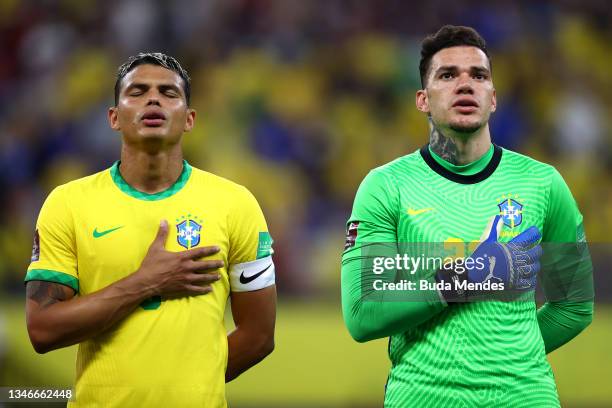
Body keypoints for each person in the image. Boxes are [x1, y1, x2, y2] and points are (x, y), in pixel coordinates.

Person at [341, 25, 594, 407]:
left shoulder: (544, 184)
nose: (465, 84)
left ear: (493, 98)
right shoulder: (386, 186)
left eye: (479, 75)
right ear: (423, 100)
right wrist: (470, 276)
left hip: (525, 398)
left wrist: (507, 357)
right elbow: (362, 314)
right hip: (423, 398)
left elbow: (573, 306)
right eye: (447, 75)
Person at [25, 53, 277, 407]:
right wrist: (147, 282)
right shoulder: (68, 203)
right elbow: (42, 329)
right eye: (138, 91)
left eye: (169, 93)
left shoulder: (236, 204)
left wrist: (190, 385)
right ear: (114, 117)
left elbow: (259, 335)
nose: (154, 99)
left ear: (189, 119)